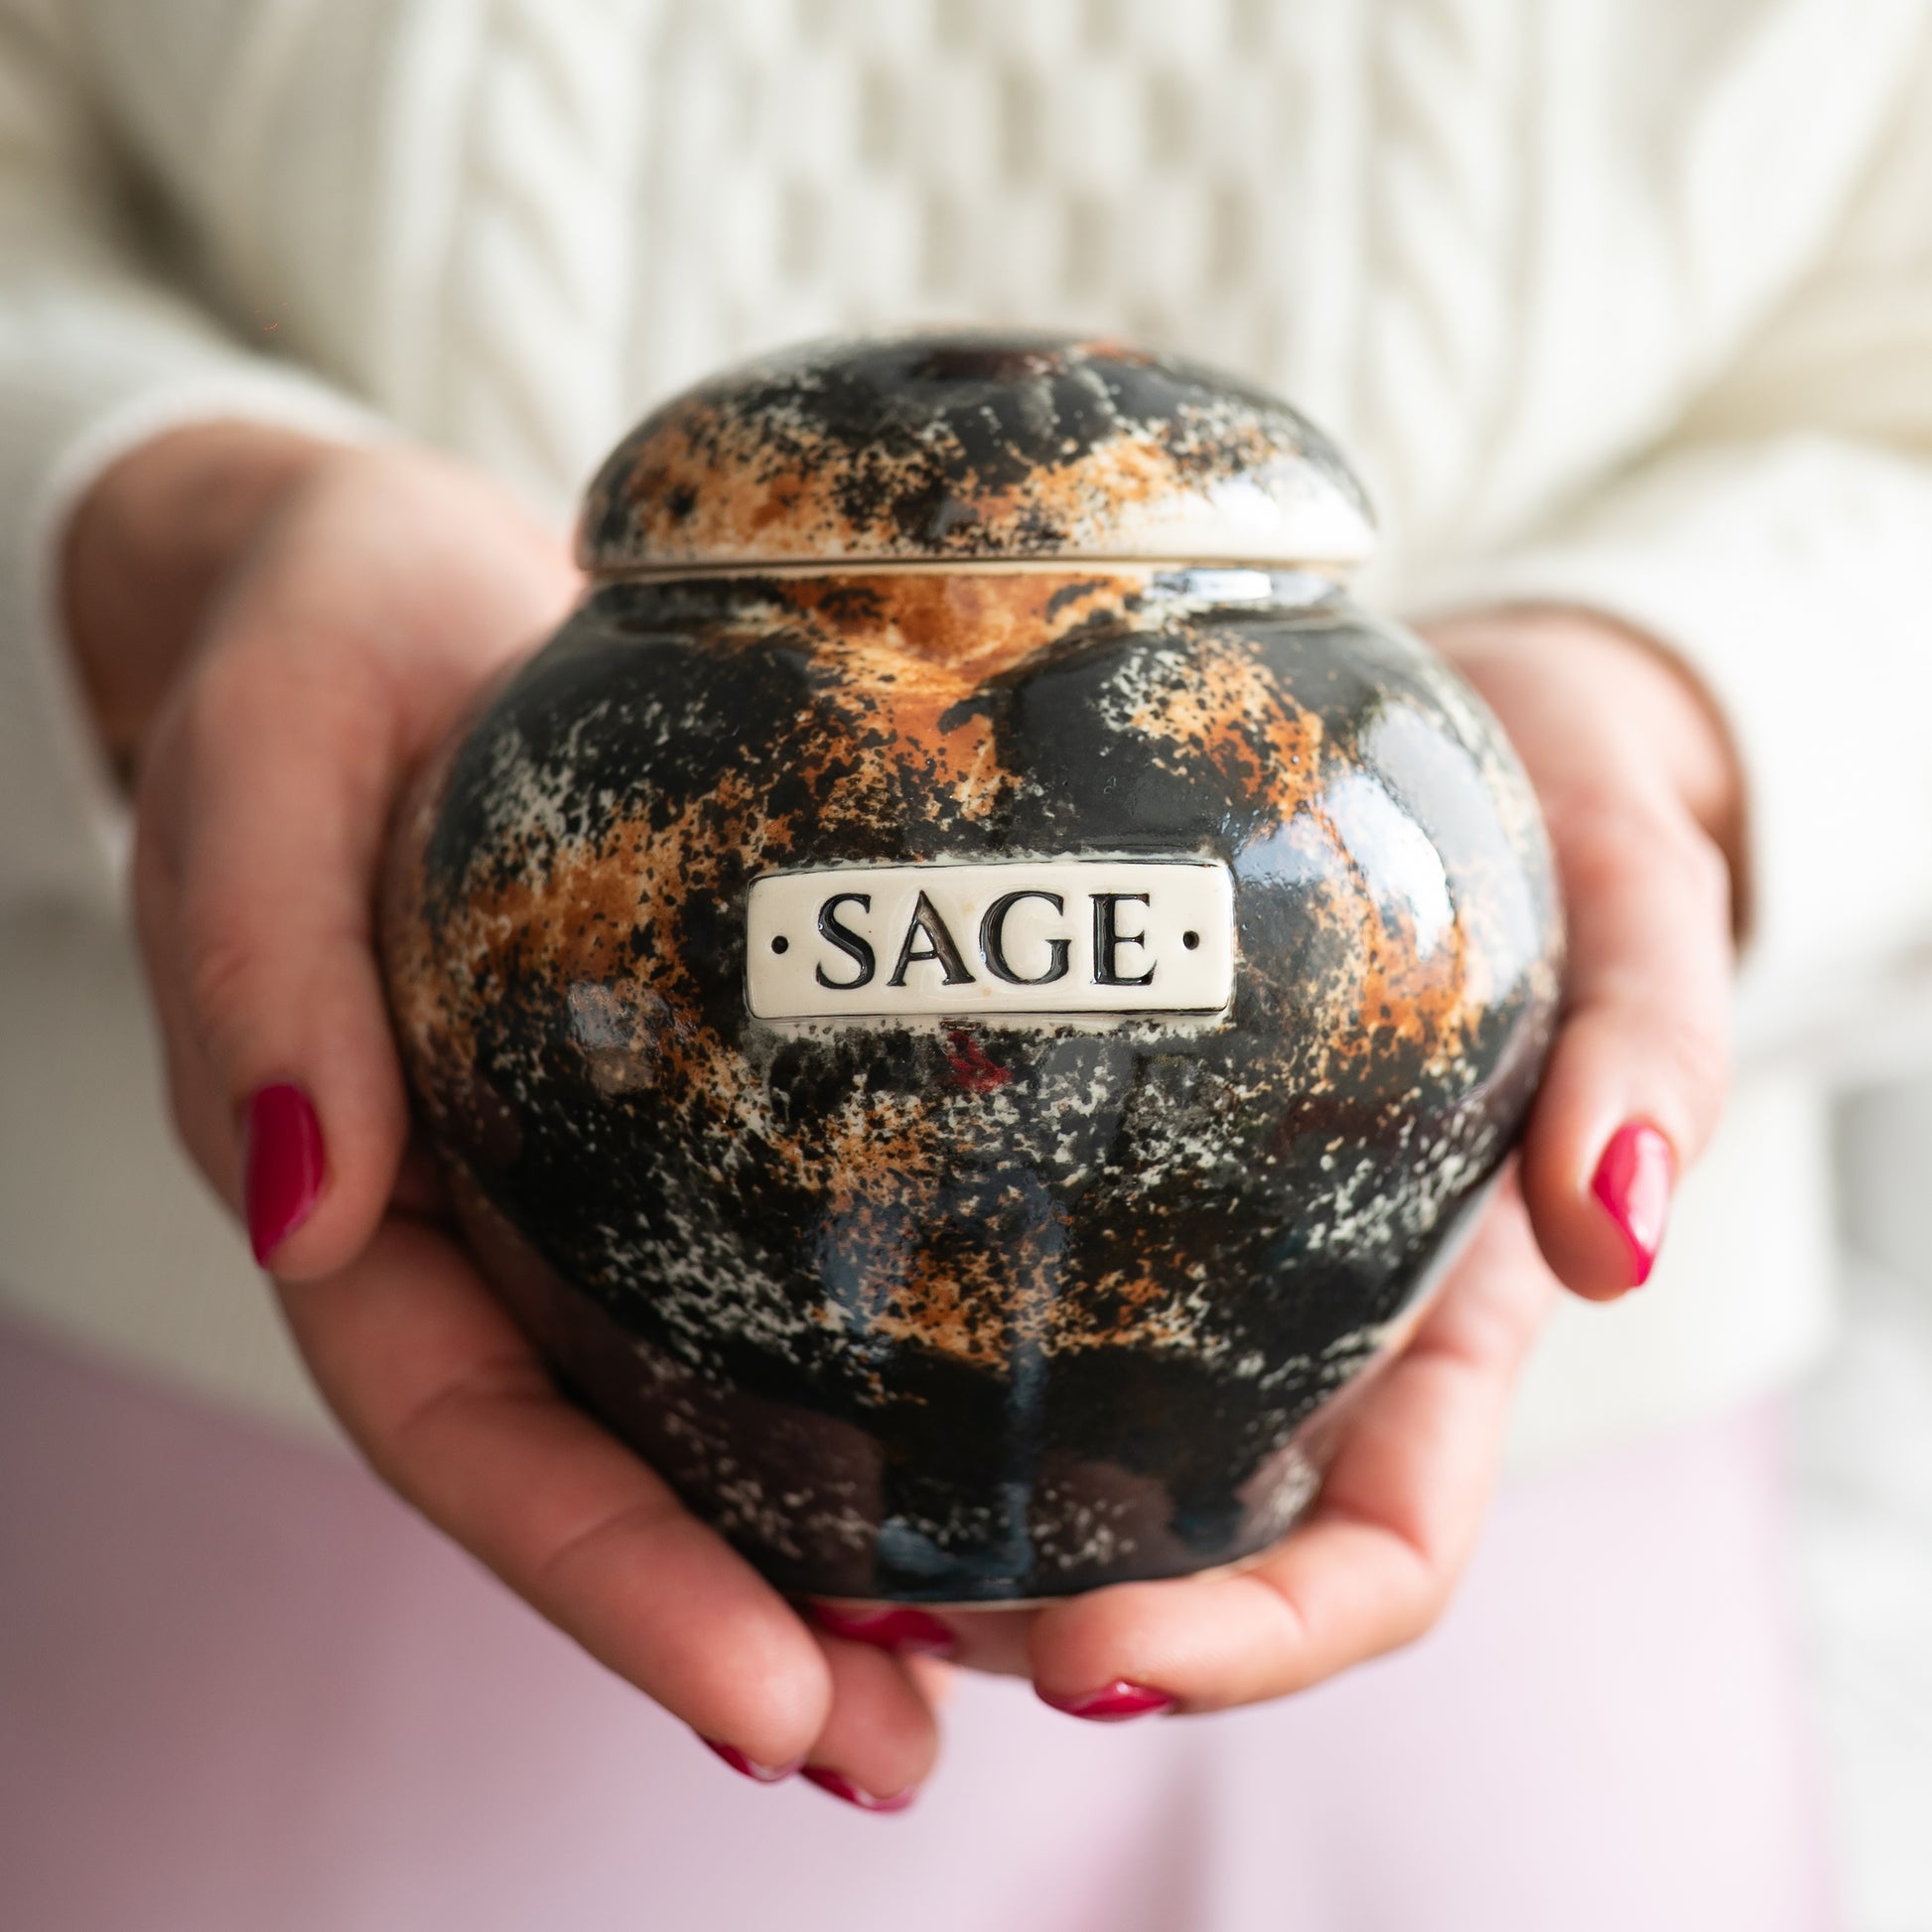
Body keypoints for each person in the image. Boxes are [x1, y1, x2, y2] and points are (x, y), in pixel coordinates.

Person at [4, 0, 1929, 1923]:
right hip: (261, 1509)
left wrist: (1669, 703)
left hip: (1542, 1553)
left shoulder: (1347, 719)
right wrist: (179, 536)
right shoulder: (589, 697)